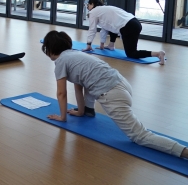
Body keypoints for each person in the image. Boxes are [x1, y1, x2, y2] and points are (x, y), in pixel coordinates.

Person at [41, 30, 188, 159]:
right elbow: (78, 87)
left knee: (140, 136)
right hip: (121, 83)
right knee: (89, 84)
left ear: (50, 49)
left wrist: (62, 117)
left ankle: (184, 152)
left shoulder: (61, 62)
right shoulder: (76, 54)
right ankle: (88, 111)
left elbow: (61, 93)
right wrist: (80, 111)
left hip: (112, 94)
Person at [84, 0, 165, 64]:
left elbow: (92, 29)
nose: (88, 6)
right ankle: (111, 45)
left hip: (128, 27)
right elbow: (107, 28)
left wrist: (88, 44)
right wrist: (104, 44)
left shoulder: (93, 12)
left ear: (93, 4)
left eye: (89, 4)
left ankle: (158, 54)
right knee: (130, 46)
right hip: (135, 23)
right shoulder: (105, 9)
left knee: (131, 53)